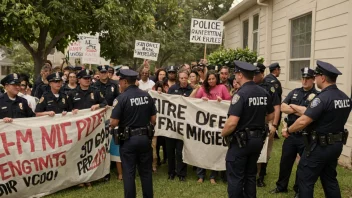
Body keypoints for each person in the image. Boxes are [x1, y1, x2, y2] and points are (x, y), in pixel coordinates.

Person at [282, 61, 351, 198]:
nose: (316, 78)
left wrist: (288, 130)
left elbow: (303, 120)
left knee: (305, 180)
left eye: (317, 75)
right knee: (330, 179)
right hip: (336, 145)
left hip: (319, 147)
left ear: (323, 78)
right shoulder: (344, 97)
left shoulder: (322, 98)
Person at [221, 61, 274, 198]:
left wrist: (222, 133)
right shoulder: (264, 92)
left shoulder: (240, 94)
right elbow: (271, 115)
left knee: (236, 178)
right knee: (250, 175)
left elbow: (232, 123)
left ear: (240, 75)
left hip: (241, 143)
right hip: (257, 141)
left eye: (236, 73)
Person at [270, 67, 319, 196]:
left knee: (303, 165)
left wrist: (293, 107)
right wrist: (301, 110)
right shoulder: (295, 92)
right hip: (290, 134)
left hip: (305, 136)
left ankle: (298, 190)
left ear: (313, 79)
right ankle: (281, 186)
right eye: (303, 78)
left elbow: (309, 114)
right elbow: (282, 107)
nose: (304, 80)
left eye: (308, 78)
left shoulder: (318, 96)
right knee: (285, 162)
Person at [110, 69, 157, 198]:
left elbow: (114, 122)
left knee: (129, 173)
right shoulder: (147, 96)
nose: (119, 84)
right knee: (146, 173)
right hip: (144, 139)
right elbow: (153, 120)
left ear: (125, 81)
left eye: (120, 81)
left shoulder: (122, 98)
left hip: (128, 140)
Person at [67, 69, 107, 188]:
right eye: (85, 78)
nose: (88, 80)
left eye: (89, 78)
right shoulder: (71, 94)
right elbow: (66, 110)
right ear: (79, 80)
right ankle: (79, 178)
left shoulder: (95, 91)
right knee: (78, 153)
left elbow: (105, 102)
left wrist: (98, 105)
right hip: (77, 130)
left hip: (92, 128)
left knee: (90, 152)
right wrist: (71, 112)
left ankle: (89, 177)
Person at [253, 63, 281, 187]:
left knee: (266, 152)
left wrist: (274, 125)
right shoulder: (249, 85)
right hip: (252, 122)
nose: (254, 76)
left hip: (267, 121)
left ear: (262, 73)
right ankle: (252, 173)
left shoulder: (270, 86)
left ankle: (261, 176)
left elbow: (276, 106)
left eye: (257, 73)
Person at [166, 70, 193, 182]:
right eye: (181, 78)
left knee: (181, 150)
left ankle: (181, 173)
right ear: (178, 78)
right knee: (170, 150)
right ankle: (171, 172)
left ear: (188, 78)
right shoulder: (173, 89)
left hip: (184, 125)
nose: (183, 80)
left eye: (185, 78)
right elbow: (166, 102)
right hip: (172, 124)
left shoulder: (191, 89)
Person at [264, 62, 283, 139]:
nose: (280, 71)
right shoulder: (275, 82)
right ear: (276, 70)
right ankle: (273, 133)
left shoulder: (265, 79)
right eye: (279, 70)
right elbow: (277, 96)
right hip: (273, 106)